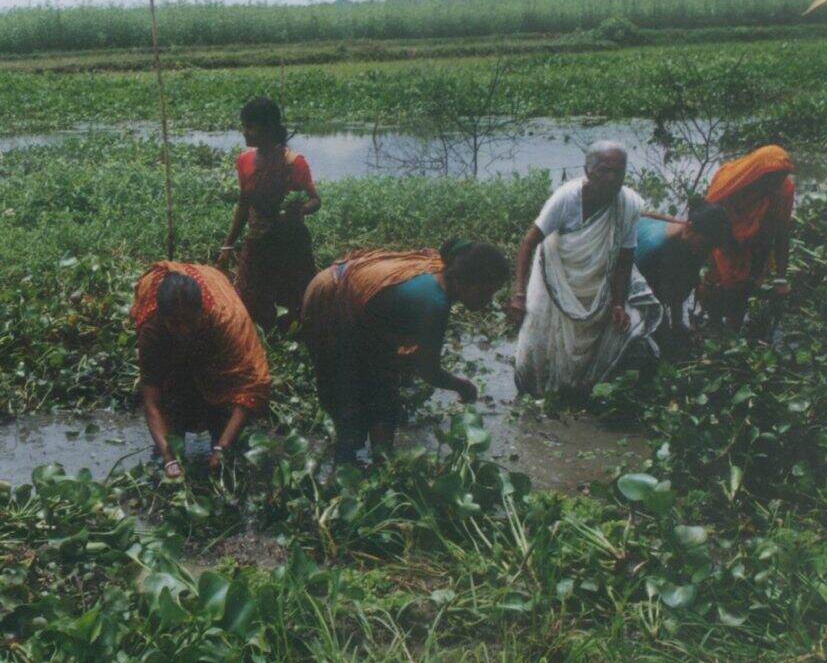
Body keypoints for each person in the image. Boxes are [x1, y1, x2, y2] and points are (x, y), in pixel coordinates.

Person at [301, 240, 508, 462]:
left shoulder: (443, 277)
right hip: (330, 299)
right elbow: (428, 370)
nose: (487, 302)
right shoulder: (432, 302)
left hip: (360, 306)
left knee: (385, 396)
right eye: (485, 292)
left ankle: (382, 462)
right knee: (349, 407)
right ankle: (348, 464)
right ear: (463, 280)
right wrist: (461, 386)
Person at [509, 141, 663, 395]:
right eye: (605, 170)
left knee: (618, 329)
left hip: (598, 282)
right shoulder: (566, 198)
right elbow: (528, 243)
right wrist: (519, 294)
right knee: (540, 332)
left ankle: (579, 389)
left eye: (619, 172)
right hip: (555, 276)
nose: (612, 178)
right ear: (588, 170)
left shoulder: (628, 205)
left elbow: (625, 258)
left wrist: (617, 303)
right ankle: (531, 388)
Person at [131, 263, 271, 479]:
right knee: (175, 391)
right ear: (162, 318)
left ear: (201, 312)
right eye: (175, 323)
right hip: (170, 335)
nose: (183, 329)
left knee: (223, 395)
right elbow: (152, 401)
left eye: (189, 321)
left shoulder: (225, 320)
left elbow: (252, 385)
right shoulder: (153, 328)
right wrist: (169, 457)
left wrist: (222, 447)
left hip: (214, 313)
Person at [216, 97, 321, 330]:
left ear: (269, 128)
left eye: (250, 127)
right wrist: (228, 246)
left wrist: (300, 210)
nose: (245, 132)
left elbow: (315, 200)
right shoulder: (245, 161)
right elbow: (244, 205)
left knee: (294, 299)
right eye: (244, 126)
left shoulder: (293, 162)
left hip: (290, 242)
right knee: (252, 303)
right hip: (258, 241)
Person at [697, 145, 795, 329]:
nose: (775, 185)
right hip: (723, 242)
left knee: (742, 292)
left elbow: (782, 232)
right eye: (772, 179)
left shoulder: (783, 190)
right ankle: (713, 325)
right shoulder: (729, 179)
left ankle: (733, 332)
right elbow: (707, 219)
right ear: (758, 172)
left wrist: (781, 277)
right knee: (715, 289)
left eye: (780, 179)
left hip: (755, 246)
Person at [634, 200, 733, 331]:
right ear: (689, 229)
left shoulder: (695, 245)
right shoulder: (652, 247)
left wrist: (677, 323)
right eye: (705, 246)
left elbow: (682, 283)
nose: (706, 252)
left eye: (711, 248)